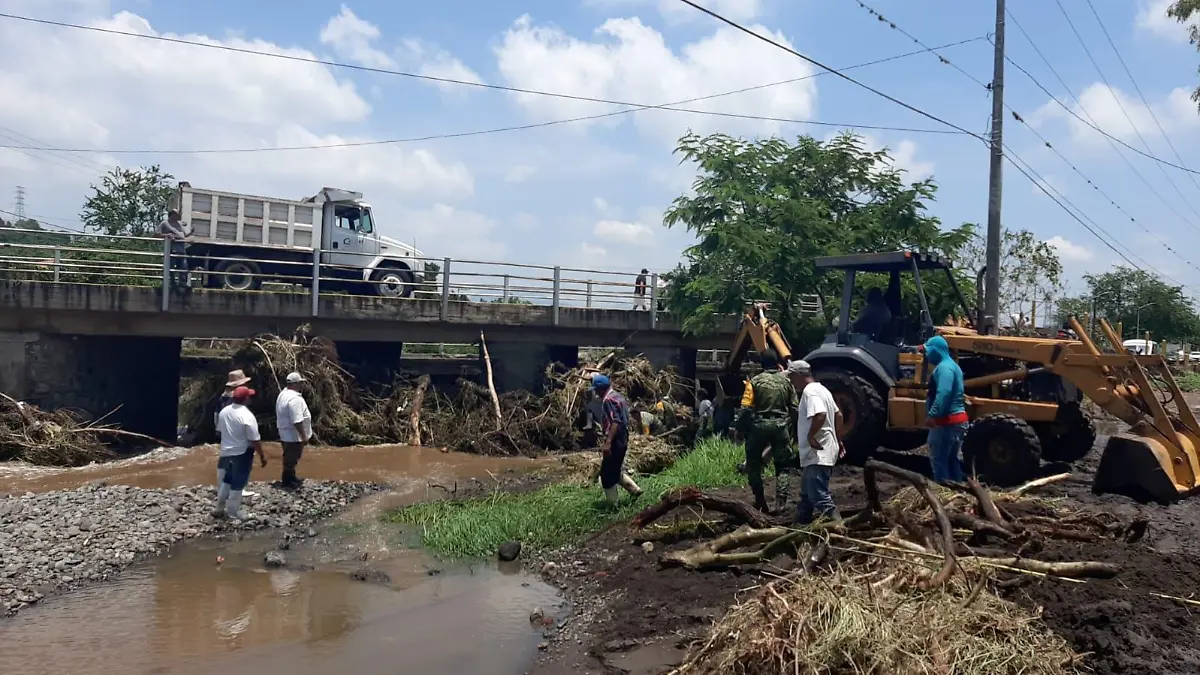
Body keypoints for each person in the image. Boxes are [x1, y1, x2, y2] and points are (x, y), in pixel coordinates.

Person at [737, 348, 798, 513]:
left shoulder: (754, 382)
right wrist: (795, 430)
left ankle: (760, 501)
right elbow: (794, 408)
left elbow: (745, 409)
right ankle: (781, 504)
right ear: (777, 363)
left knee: (753, 465)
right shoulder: (787, 383)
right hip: (781, 427)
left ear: (761, 364)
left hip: (759, 427)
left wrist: (740, 429)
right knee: (783, 467)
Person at [786, 360, 844, 524]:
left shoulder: (810, 392)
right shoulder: (822, 389)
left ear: (798, 375)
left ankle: (839, 525)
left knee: (818, 494)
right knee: (806, 496)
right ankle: (798, 527)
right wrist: (838, 439)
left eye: (791, 377)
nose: (791, 382)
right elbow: (838, 415)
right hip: (823, 450)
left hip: (817, 452)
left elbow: (820, 414)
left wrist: (811, 436)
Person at [215, 386, 267, 520]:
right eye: (249, 396)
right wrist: (262, 456)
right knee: (238, 484)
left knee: (227, 480)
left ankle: (219, 508)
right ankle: (233, 512)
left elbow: (219, 432)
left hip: (226, 452)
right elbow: (255, 440)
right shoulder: (247, 416)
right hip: (242, 453)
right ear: (246, 399)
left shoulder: (224, 412)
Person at [592, 374, 643, 506]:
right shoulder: (619, 396)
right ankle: (634, 490)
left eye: (596, 390)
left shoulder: (608, 400)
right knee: (614, 468)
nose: (596, 393)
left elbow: (615, 421)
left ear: (601, 389)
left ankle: (613, 506)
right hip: (623, 437)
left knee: (606, 475)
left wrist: (608, 443)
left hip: (615, 439)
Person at [924, 335, 968, 483]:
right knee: (951, 460)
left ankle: (943, 497)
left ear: (937, 350)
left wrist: (932, 414)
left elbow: (944, 392)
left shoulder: (944, 368)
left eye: (928, 351)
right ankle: (959, 494)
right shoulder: (954, 366)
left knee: (939, 461)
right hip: (957, 421)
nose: (927, 354)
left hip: (945, 422)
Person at [275, 371, 313, 489]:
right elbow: (297, 420)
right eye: (300, 383)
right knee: (292, 458)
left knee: (290, 457)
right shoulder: (294, 399)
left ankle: (291, 477)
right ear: (295, 384)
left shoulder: (283, 394)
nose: (301, 386)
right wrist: (304, 436)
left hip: (285, 433)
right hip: (293, 435)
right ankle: (287, 481)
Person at [159, 209, 190, 288]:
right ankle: (172, 283)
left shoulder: (179, 224)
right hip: (172, 249)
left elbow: (184, 235)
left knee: (184, 267)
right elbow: (156, 234)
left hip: (182, 249)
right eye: (177, 214)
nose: (179, 216)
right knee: (171, 267)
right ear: (172, 215)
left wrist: (191, 233)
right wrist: (166, 235)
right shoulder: (165, 223)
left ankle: (182, 283)